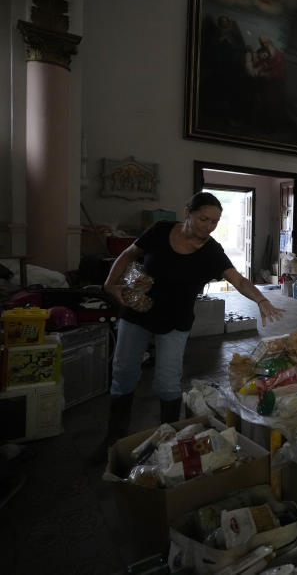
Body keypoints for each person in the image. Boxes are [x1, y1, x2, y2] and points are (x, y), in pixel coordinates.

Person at [96, 192, 285, 456]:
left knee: (167, 383)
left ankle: (168, 444)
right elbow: (128, 254)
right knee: (123, 374)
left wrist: (261, 299)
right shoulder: (161, 231)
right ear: (188, 212)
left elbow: (239, 280)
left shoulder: (211, 252)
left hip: (176, 319)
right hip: (136, 312)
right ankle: (113, 439)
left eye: (214, 222)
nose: (208, 227)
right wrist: (110, 283)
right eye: (203, 219)